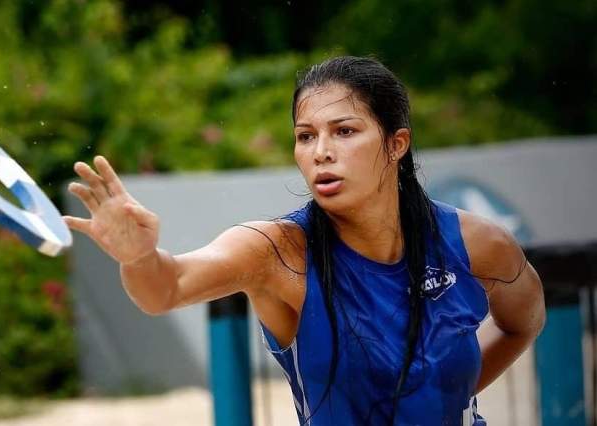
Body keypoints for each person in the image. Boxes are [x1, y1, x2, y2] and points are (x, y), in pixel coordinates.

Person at [62, 56, 545, 425]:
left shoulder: (477, 242)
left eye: (345, 131)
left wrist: (441, 396)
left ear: (396, 144)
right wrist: (140, 257)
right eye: (306, 136)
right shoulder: (276, 251)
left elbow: (525, 321)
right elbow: (164, 288)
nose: (322, 153)